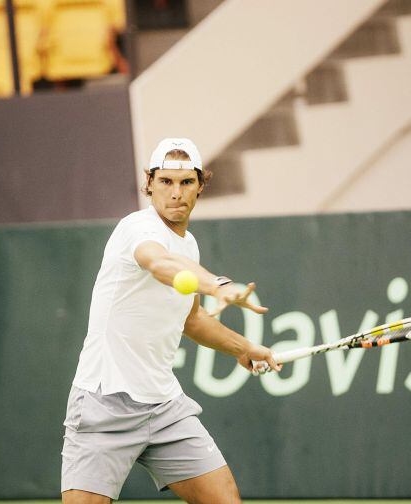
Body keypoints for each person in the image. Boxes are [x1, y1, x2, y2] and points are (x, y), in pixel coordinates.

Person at [61, 138, 282, 503]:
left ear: (200, 186)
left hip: (165, 407)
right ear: (149, 183)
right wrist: (216, 284)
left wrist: (244, 348)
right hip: (104, 404)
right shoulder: (136, 228)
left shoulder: (188, 245)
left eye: (186, 183)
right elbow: (159, 263)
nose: (176, 193)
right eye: (165, 182)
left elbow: (191, 319)